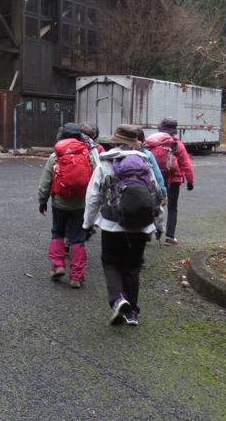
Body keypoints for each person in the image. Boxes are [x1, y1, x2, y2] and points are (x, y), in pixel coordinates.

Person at [83, 124, 163, 326]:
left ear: (115, 141)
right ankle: (132, 313)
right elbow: (155, 194)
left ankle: (118, 299)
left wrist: (87, 224)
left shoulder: (106, 163)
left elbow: (93, 197)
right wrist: (158, 223)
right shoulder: (145, 164)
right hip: (141, 226)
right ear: (134, 143)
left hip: (112, 224)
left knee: (110, 262)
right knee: (132, 268)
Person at [38, 122, 89, 288]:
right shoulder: (86, 154)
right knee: (78, 238)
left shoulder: (55, 156)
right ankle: (76, 276)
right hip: (80, 203)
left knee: (57, 232)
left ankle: (58, 265)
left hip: (59, 202)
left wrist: (42, 201)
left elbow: (46, 182)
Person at [144, 117, 194, 245]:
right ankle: (170, 237)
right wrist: (190, 181)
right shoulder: (177, 144)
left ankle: (147, 233)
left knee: (150, 205)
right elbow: (186, 164)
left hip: (153, 179)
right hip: (173, 179)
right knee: (172, 208)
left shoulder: (150, 142)